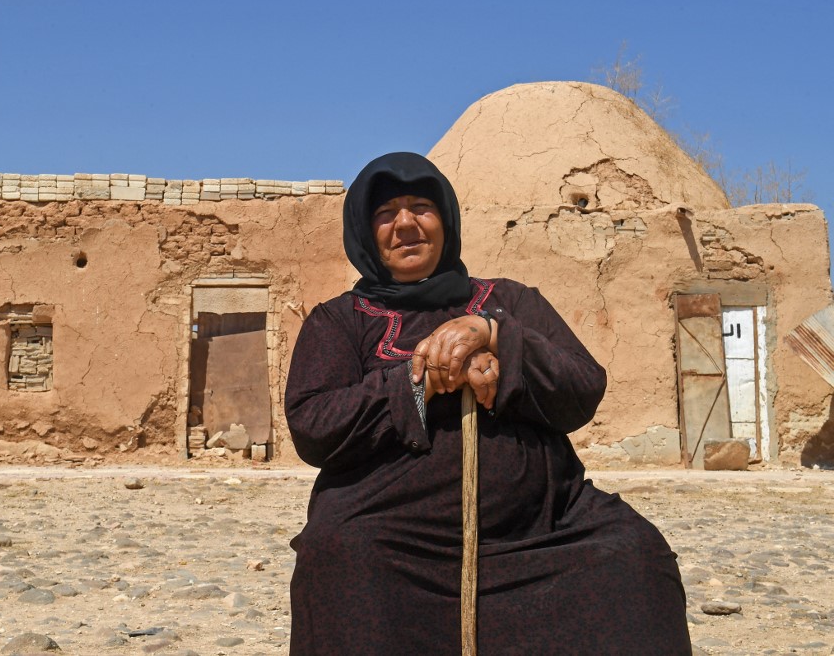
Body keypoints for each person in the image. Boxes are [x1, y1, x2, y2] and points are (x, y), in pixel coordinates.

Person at [284, 152, 691, 655]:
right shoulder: (340, 321)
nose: (406, 224)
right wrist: (421, 377)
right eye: (387, 213)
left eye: (421, 208)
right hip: (389, 533)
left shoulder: (512, 301)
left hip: (541, 529)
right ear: (366, 232)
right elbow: (312, 425)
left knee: (633, 555)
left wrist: (497, 337)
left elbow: (582, 386)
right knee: (337, 556)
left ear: (447, 220)